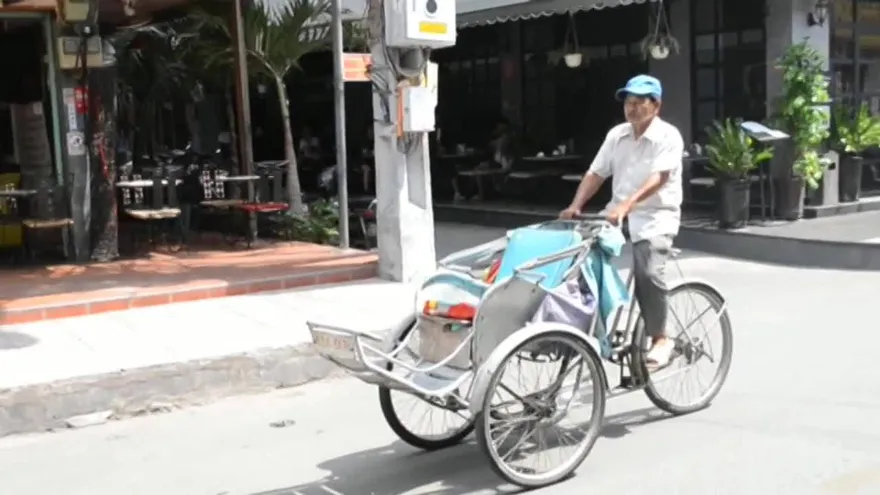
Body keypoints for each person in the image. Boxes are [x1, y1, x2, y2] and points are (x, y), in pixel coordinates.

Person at [559, 74, 684, 368]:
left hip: (656, 214)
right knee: (578, 262)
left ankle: (661, 338)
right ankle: (590, 329)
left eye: (639, 102)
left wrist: (629, 204)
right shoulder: (617, 135)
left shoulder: (668, 136)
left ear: (656, 105)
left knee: (649, 273)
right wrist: (575, 205)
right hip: (616, 213)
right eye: (628, 102)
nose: (632, 108)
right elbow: (596, 173)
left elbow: (659, 177)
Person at [452, 117, 513, 201]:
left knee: (478, 170)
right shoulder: (496, 139)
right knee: (477, 170)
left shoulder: (506, 138)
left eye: (500, 126)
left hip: (503, 163)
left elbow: (505, 151)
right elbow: (489, 146)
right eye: (497, 126)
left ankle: (479, 194)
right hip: (496, 162)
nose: (498, 127)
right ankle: (471, 194)